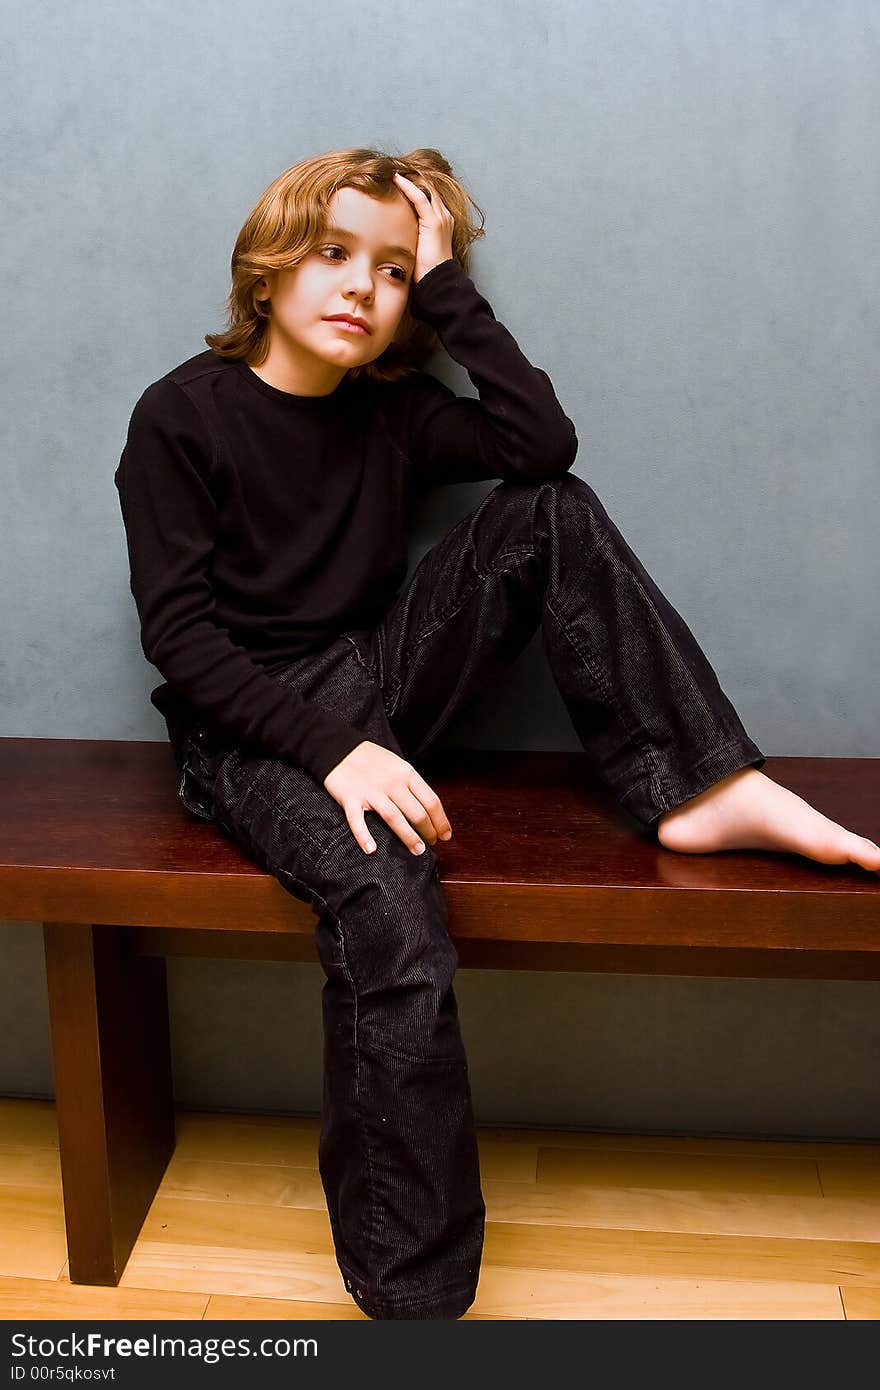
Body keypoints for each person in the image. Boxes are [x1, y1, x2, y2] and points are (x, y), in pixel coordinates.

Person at [114, 146, 880, 1320]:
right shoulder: (179, 415)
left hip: (375, 681)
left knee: (550, 513)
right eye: (333, 255)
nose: (361, 287)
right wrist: (331, 749)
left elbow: (541, 447)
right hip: (252, 734)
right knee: (391, 914)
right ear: (265, 273)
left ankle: (698, 784)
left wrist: (449, 286)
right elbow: (183, 642)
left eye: (391, 268)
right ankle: (416, 1300)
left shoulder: (396, 416)